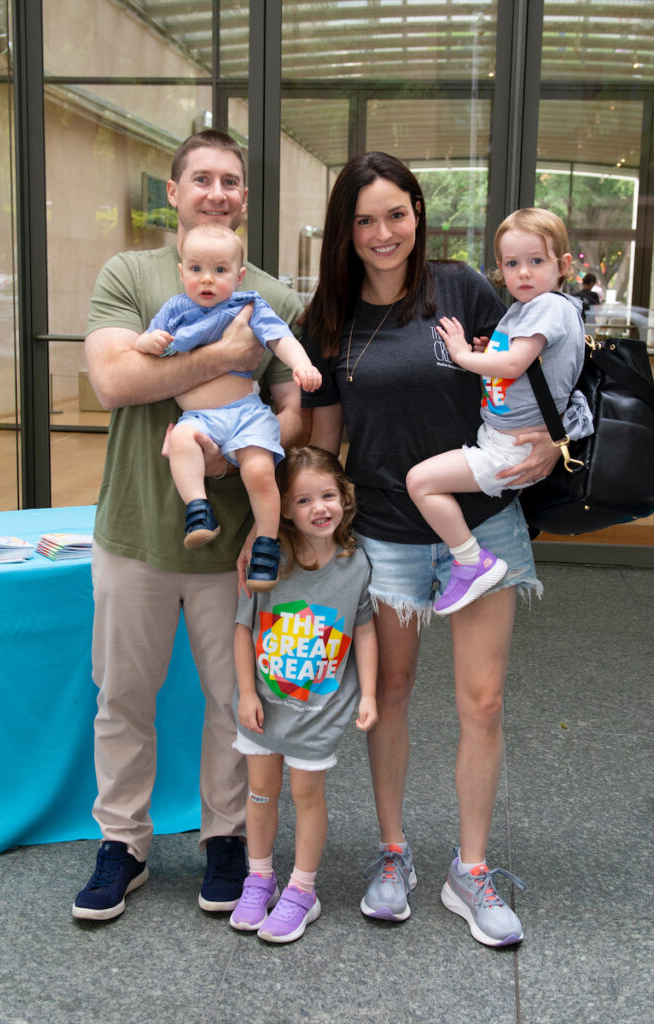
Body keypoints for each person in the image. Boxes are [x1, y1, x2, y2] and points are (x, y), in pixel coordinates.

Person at [300, 152, 559, 947]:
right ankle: (392, 854)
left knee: (482, 702)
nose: (383, 234)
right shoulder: (330, 320)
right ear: (345, 231)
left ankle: (470, 869)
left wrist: (547, 445)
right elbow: (322, 442)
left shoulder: (463, 289)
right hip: (384, 530)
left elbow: (529, 380)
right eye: (365, 220)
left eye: (396, 214)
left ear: (418, 212)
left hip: (482, 523)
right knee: (394, 692)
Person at [72, 129, 307, 922]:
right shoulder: (130, 276)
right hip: (134, 534)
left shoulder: (269, 293)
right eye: (200, 178)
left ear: (245, 197)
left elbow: (293, 411)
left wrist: (266, 452)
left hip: (232, 545)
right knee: (123, 698)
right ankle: (122, 844)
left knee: (233, 702)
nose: (216, 190)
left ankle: (226, 838)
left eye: (231, 180)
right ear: (171, 193)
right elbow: (112, 380)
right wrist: (221, 357)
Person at [405, 208, 592, 616]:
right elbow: (512, 368)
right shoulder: (528, 309)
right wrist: (480, 353)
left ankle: (471, 562)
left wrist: (458, 354)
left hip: (510, 448)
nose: (523, 273)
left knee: (420, 482)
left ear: (562, 266)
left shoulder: (548, 307)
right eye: (512, 263)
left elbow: (511, 366)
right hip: (502, 438)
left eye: (536, 261)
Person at [228, 446, 378, 943]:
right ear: (284, 510)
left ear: (344, 498)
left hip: (319, 713)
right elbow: (242, 629)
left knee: (306, 795)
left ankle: (302, 890)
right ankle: (260, 878)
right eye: (303, 500)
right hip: (263, 710)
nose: (319, 508)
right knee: (260, 793)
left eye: (328, 495)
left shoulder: (356, 565)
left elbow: (366, 633)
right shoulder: (269, 563)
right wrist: (247, 691)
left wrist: (369, 695)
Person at [134, 223, 321, 590]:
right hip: (199, 417)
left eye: (220, 270)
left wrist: (301, 364)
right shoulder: (175, 309)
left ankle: (267, 541)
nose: (207, 279)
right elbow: (145, 343)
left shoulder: (249, 306)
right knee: (182, 442)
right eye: (196, 269)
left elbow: (280, 338)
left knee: (258, 471)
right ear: (181, 272)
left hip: (245, 414)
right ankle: (199, 510)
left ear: (239, 276)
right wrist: (148, 341)